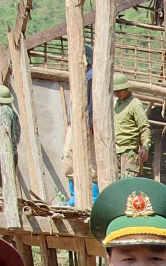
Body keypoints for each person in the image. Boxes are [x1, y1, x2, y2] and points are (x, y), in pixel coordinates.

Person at [61, 44, 98, 205]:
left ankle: (93, 198)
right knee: (69, 159)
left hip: (85, 125)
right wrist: (69, 125)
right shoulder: (79, 76)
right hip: (74, 124)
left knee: (90, 163)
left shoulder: (90, 77)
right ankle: (74, 197)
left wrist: (90, 124)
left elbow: (91, 104)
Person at [113, 73, 152, 179]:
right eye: (115, 91)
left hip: (129, 151)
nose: (117, 93)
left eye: (120, 90)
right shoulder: (117, 104)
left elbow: (144, 127)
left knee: (129, 184)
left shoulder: (135, 104)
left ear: (126, 89)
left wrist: (145, 147)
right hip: (116, 150)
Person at [0, 85, 21, 167]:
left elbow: (5, 131)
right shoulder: (13, 113)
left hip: (4, 152)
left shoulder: (3, 110)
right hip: (13, 153)